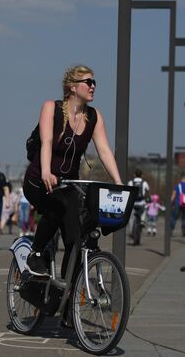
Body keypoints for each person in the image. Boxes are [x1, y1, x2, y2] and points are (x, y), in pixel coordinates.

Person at [23, 64, 123, 279]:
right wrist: (47, 172)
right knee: (55, 209)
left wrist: (118, 181)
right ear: (72, 87)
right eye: (88, 82)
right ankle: (36, 253)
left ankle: (67, 298)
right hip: (39, 181)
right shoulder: (52, 108)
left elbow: (104, 151)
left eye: (94, 82)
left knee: (76, 239)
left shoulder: (94, 117)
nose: (93, 86)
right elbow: (47, 142)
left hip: (68, 185)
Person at [127, 169, 150, 238]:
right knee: (144, 210)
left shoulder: (131, 182)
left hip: (133, 203)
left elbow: (128, 191)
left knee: (131, 218)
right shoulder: (144, 183)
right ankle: (142, 221)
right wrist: (149, 198)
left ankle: (131, 232)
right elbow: (148, 192)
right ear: (142, 175)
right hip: (141, 202)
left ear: (134, 175)